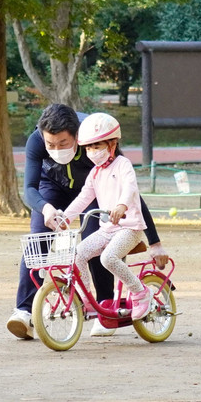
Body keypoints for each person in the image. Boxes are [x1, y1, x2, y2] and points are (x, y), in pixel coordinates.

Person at [7, 103, 167, 340]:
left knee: (97, 236)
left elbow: (130, 192)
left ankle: (105, 306)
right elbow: (29, 188)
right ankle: (24, 311)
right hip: (52, 186)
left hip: (93, 191)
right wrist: (46, 208)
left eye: (63, 144)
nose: (56, 149)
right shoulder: (37, 140)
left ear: (77, 136)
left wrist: (154, 242)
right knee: (38, 237)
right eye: (51, 145)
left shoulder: (97, 139)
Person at [57, 112, 154, 322]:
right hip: (107, 229)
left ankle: (140, 292)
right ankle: (88, 301)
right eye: (89, 148)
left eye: (97, 146)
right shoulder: (95, 173)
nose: (92, 152)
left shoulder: (123, 164)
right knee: (78, 254)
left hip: (130, 227)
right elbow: (84, 197)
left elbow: (130, 187)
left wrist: (121, 205)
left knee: (107, 258)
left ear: (111, 144)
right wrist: (65, 217)